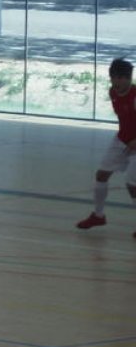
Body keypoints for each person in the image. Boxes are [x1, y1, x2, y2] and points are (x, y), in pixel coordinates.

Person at [76, 57, 136, 238]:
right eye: (113, 78)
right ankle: (98, 215)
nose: (116, 82)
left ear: (129, 78)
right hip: (122, 140)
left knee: (132, 184)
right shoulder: (113, 93)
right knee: (101, 175)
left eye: (120, 78)